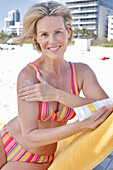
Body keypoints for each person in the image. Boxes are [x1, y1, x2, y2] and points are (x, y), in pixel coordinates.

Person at [0, 1, 112, 170]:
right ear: (36, 38)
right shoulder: (28, 76)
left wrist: (58, 95)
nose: (52, 41)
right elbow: (29, 135)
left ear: (68, 32)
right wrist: (79, 125)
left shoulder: (82, 72)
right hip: (7, 141)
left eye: (58, 32)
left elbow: (106, 109)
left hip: (39, 159)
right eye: (44, 34)